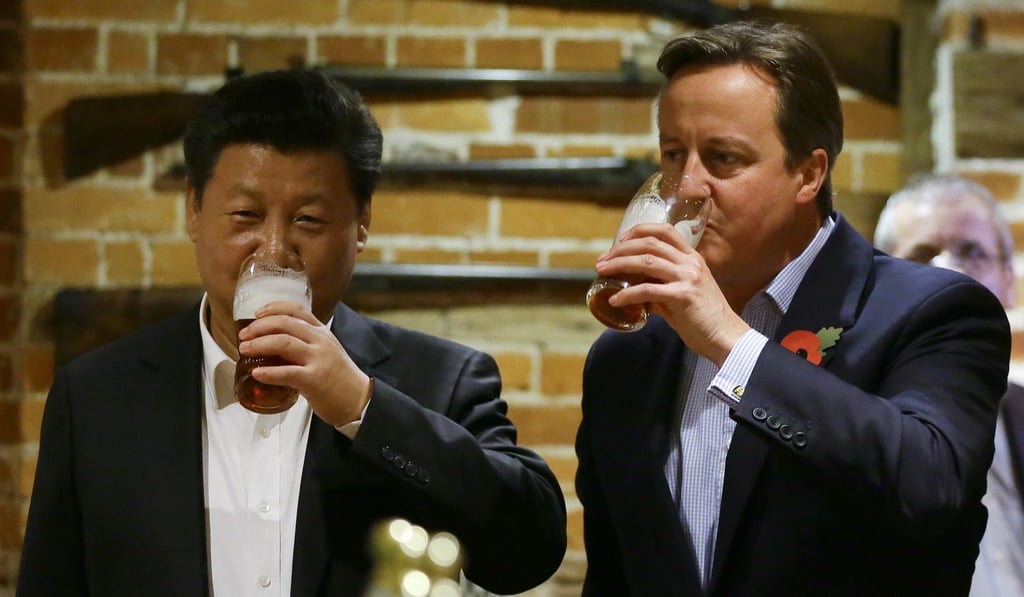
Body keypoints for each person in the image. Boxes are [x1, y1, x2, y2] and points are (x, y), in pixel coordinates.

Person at [18, 69, 567, 596]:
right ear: (193, 210)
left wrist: (361, 406)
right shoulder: (96, 396)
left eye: (308, 220)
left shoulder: (442, 380)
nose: (275, 251)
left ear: (361, 224)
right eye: (244, 216)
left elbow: (527, 551)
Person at [574, 20, 1011, 596]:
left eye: (724, 158)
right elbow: (614, 574)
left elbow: (927, 485)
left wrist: (730, 342)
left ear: (809, 173)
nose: (689, 185)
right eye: (674, 154)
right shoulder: (625, 358)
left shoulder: (936, 310)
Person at [874, 173, 1024, 597]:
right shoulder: (850, 419)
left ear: (1008, 281)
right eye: (922, 255)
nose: (948, 272)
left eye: (972, 253)